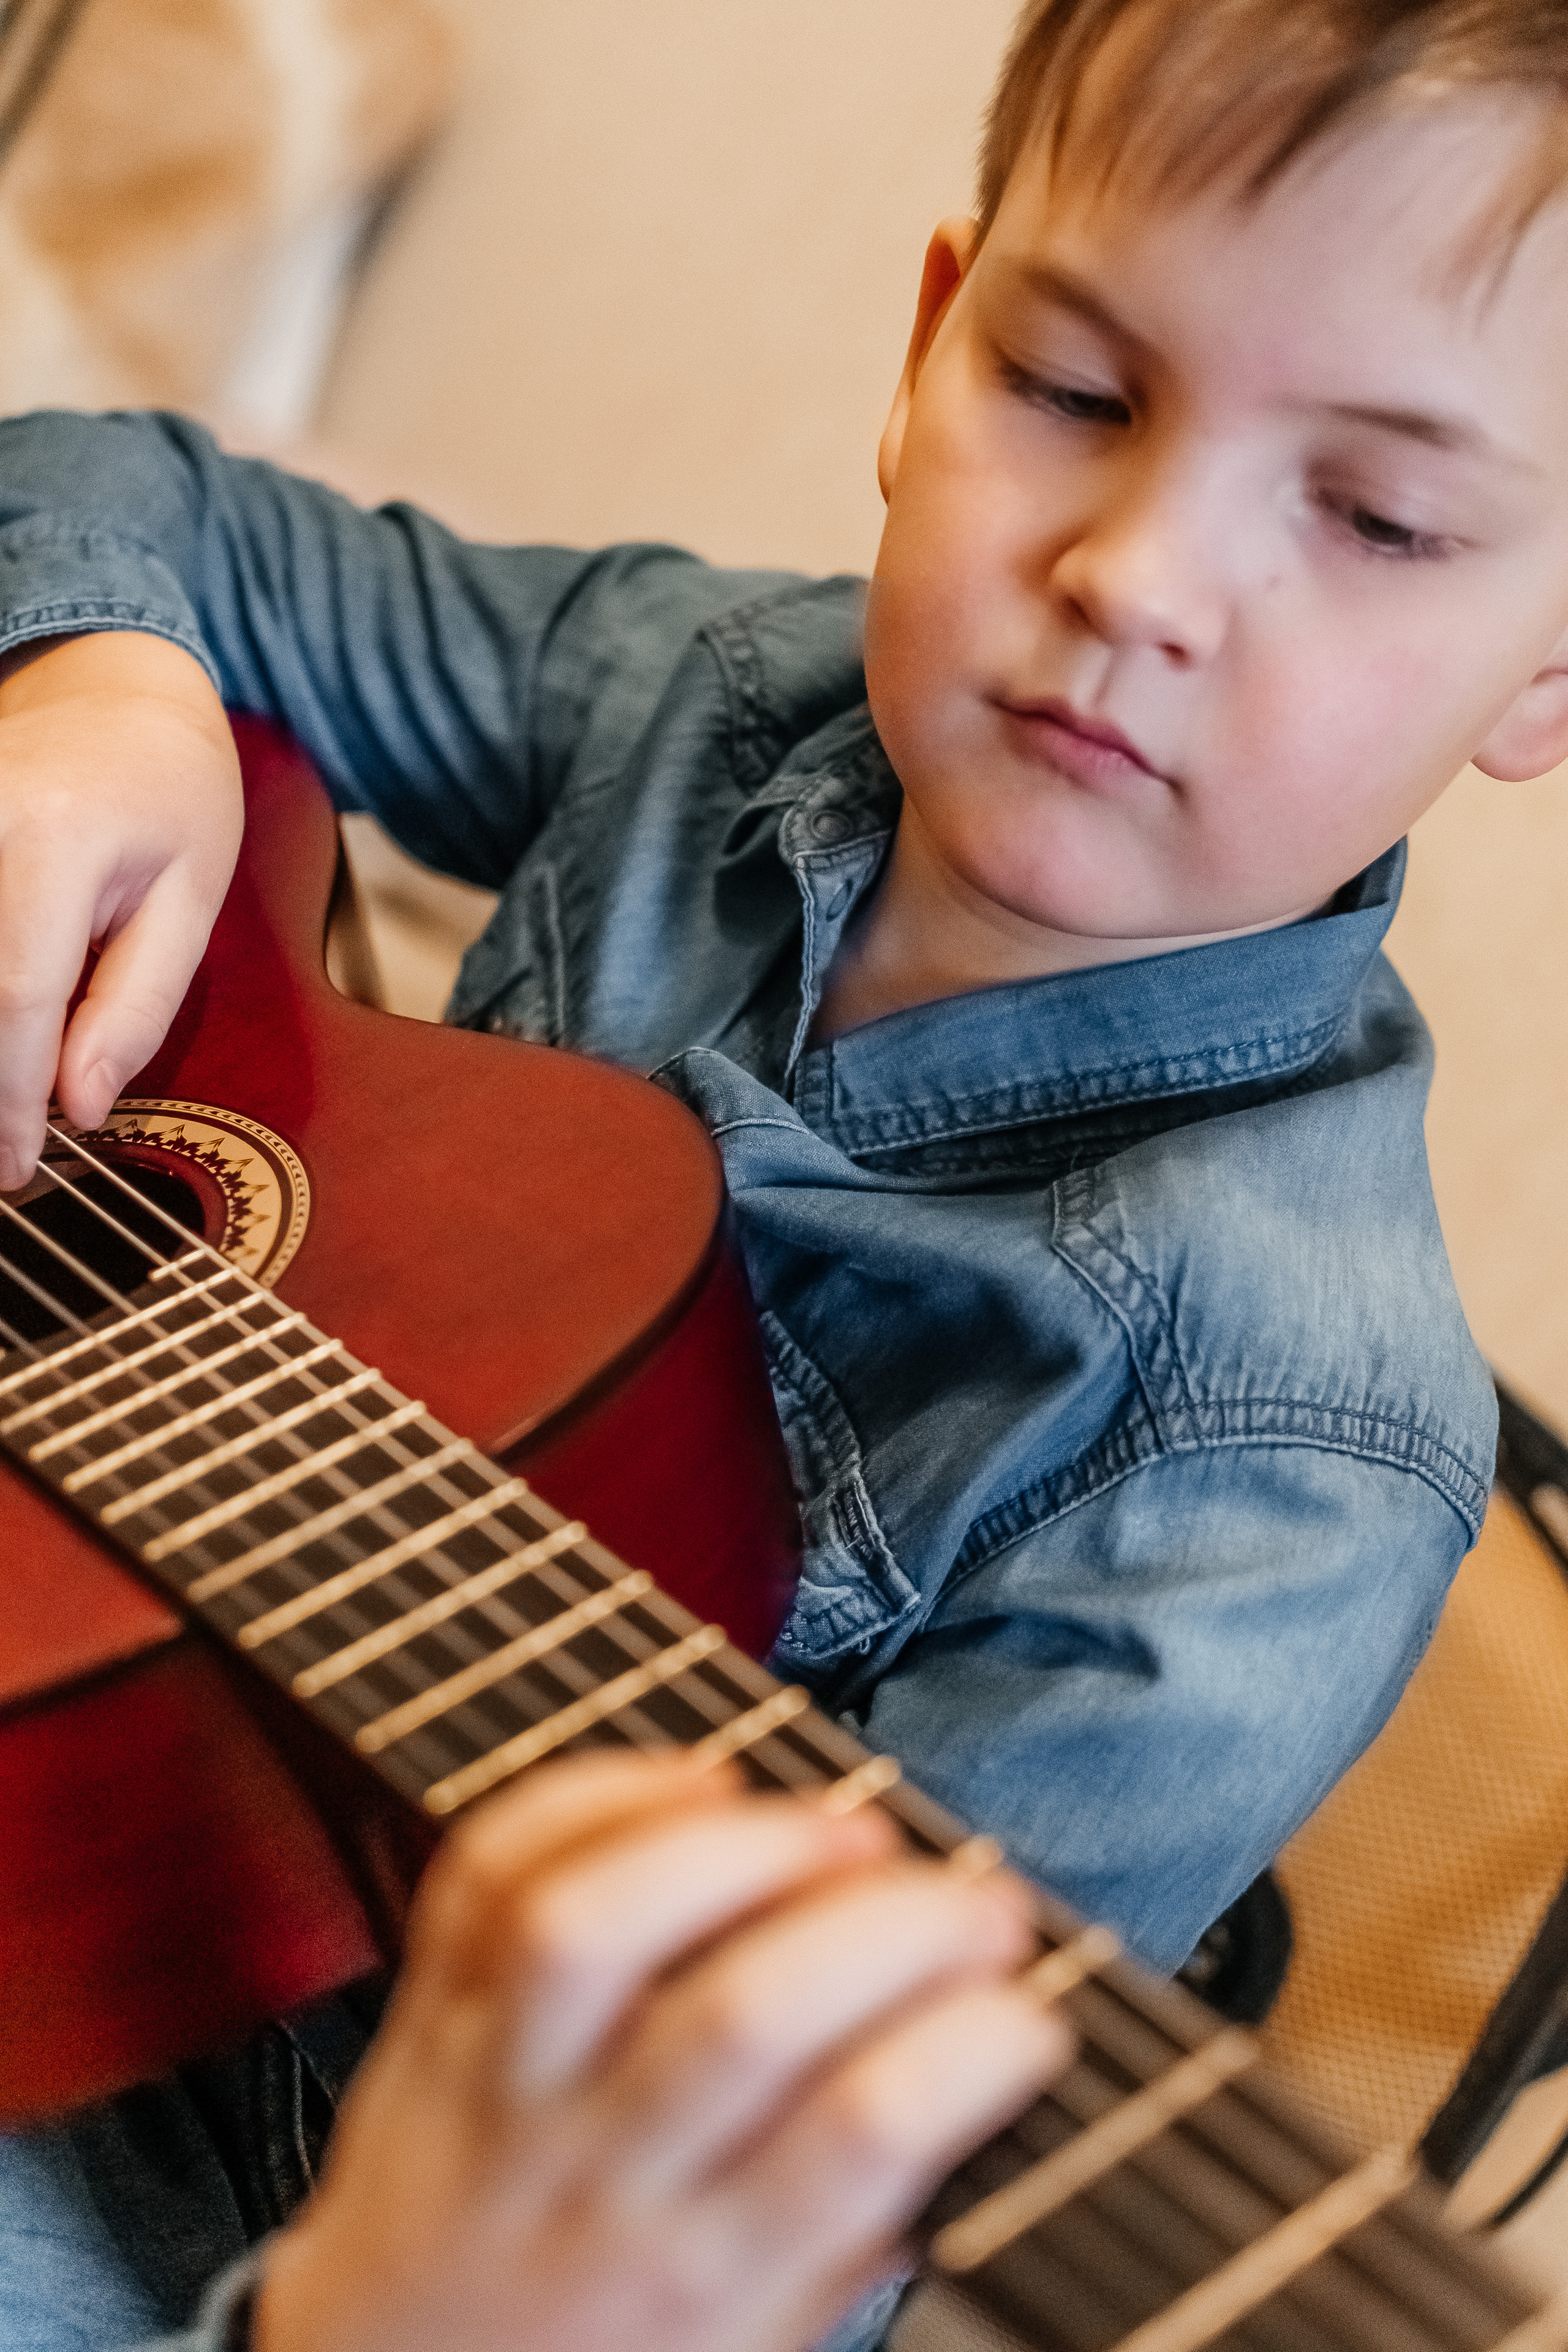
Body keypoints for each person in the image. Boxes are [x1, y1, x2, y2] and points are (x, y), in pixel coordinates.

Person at [3, 0, 1566, 2340]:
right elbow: (133, 494)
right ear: (932, 349)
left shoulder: (1281, 1476)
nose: (1137, 572)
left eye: (1374, 515)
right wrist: (99, 689)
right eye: (1075, 392)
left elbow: (748, 2247)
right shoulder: (728, 689)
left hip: (278, 2223)